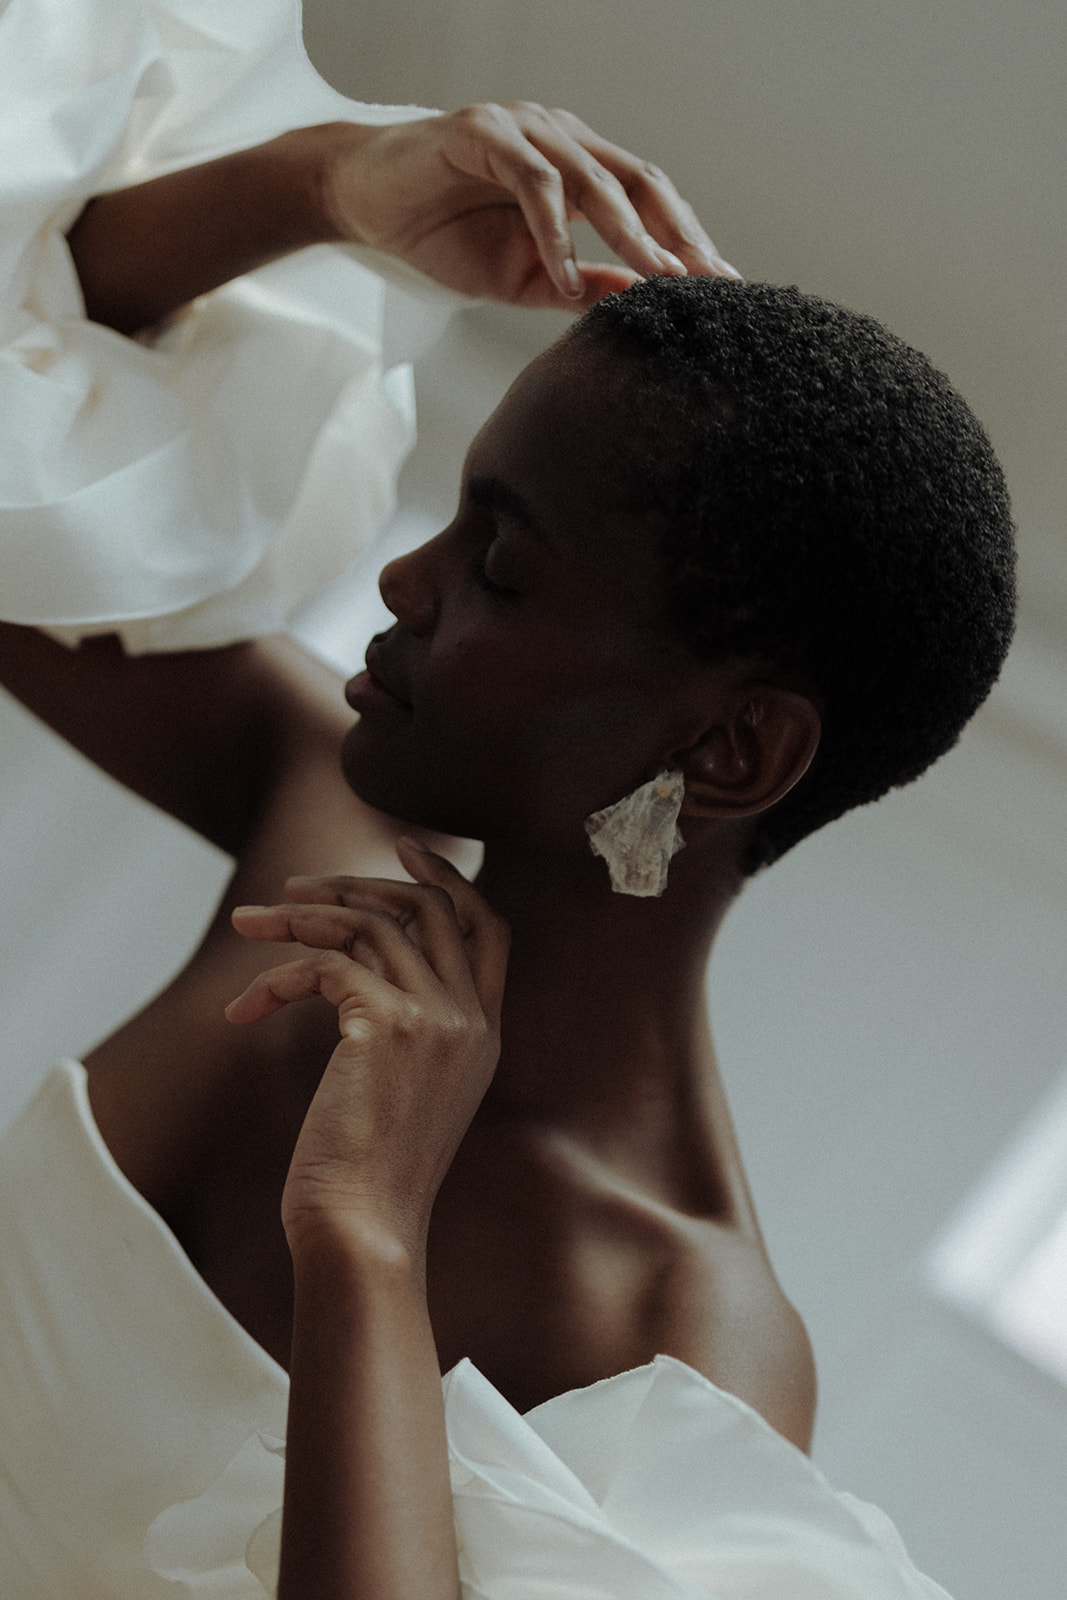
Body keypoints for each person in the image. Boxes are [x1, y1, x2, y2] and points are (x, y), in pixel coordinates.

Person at [0, 6, 1016, 1599]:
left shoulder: (682, 1333)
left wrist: (366, 1235)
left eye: (502, 562)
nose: (402, 579)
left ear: (735, 751)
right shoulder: (321, 851)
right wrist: (330, 181)